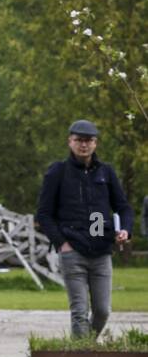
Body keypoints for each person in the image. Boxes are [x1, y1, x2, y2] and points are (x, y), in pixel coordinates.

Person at [35, 119, 132, 338]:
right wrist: (63, 243)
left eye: (89, 140)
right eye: (79, 140)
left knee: (102, 311)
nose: (84, 145)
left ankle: (83, 349)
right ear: (70, 141)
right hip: (73, 250)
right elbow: (43, 214)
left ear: (95, 143)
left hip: (101, 250)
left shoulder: (106, 172)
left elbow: (123, 207)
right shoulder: (58, 172)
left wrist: (125, 229)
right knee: (79, 312)